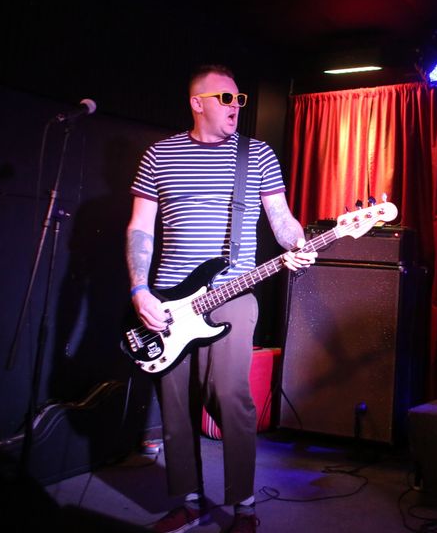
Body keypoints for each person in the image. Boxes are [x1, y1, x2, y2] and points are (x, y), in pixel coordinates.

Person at [126, 64, 316, 533]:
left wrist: (297, 243)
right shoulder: (159, 155)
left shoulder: (257, 154)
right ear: (197, 103)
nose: (236, 107)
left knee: (230, 395)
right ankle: (189, 502)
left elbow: (281, 218)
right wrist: (139, 290)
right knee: (175, 403)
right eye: (226, 98)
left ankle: (243, 506)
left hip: (233, 291)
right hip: (168, 301)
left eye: (239, 99)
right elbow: (140, 228)